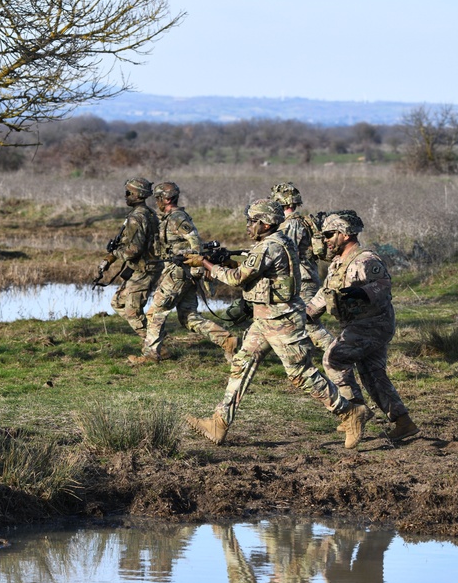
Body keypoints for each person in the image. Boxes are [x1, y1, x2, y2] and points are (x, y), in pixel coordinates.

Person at [181, 199, 370, 447]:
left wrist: (206, 264)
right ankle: (219, 423)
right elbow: (257, 273)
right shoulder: (278, 242)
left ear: (266, 223)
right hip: (265, 319)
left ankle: (350, 412)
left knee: (300, 373)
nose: (248, 226)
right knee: (241, 363)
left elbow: (237, 279)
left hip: (281, 320)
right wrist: (225, 263)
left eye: (252, 221)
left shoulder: (269, 246)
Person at [306, 210, 419, 442]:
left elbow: (384, 285)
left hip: (374, 324)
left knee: (334, 359)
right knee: (372, 374)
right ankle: (403, 422)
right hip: (360, 325)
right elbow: (324, 295)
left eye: (329, 234)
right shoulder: (338, 263)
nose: (325, 240)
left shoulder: (366, 260)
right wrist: (303, 315)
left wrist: (363, 291)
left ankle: (354, 412)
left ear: (345, 234)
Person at [128, 182, 238, 365]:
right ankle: (227, 340)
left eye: (158, 198)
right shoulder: (170, 217)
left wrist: (198, 267)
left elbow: (194, 239)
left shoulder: (177, 218)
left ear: (166, 198)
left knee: (155, 312)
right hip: (182, 273)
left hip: (179, 273)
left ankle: (151, 354)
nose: (156, 202)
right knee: (188, 316)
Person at [271, 181, 332, 350]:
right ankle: (300, 353)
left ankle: (339, 353)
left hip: (303, 280)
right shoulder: (299, 221)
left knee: (309, 323)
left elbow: (286, 252)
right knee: (291, 321)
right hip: (302, 278)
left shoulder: (292, 224)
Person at [99, 178, 160, 339]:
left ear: (138, 195)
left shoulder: (137, 217)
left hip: (145, 269)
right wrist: (109, 259)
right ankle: (154, 338)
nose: (125, 196)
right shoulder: (148, 213)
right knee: (118, 303)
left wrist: (117, 252)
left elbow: (133, 251)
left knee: (132, 313)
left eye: (128, 193)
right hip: (142, 268)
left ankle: (155, 346)